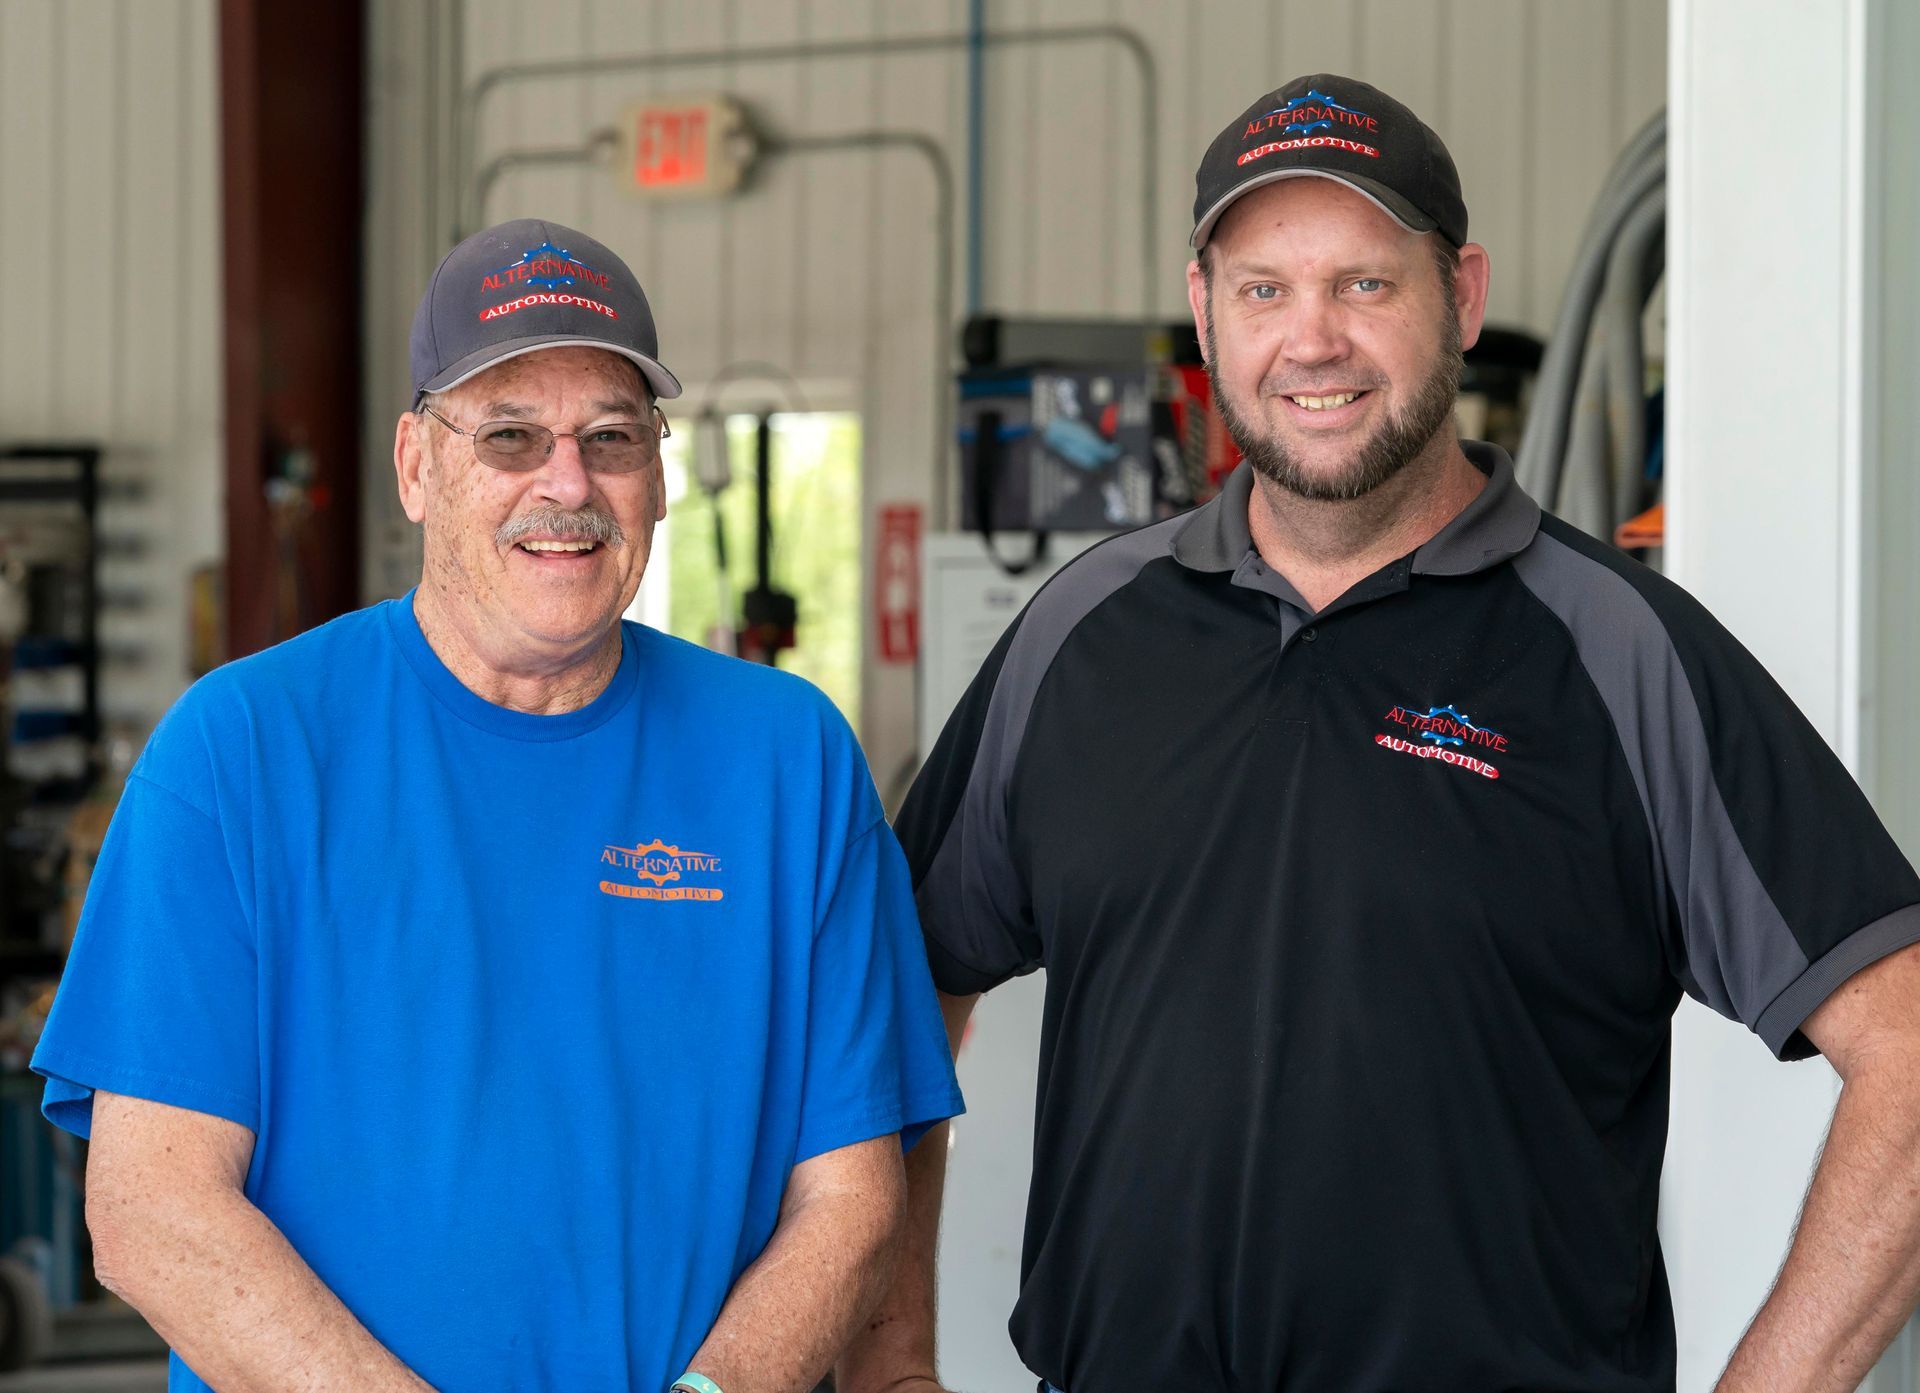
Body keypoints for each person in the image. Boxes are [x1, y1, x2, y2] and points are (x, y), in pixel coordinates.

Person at [837, 74, 1920, 1393]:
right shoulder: (1083, 634)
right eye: (1263, 290)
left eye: (1364, 285)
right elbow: (883, 1012)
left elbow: (1907, 1046)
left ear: (1458, 296)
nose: (1313, 341)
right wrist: (893, 1374)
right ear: (1204, 310)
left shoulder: (1616, 653)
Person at [33, 218, 964, 1393]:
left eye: (612, 438)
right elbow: (150, 1206)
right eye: (512, 435)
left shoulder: (789, 761)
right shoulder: (242, 751)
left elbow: (854, 1191)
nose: (566, 484)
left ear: (660, 476)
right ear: (418, 467)